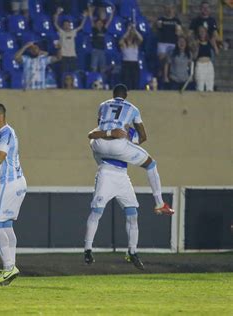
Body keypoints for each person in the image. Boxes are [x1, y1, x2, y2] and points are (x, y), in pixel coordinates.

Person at [89, 84, 175, 216]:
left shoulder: (103, 105)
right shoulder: (133, 109)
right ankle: (159, 203)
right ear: (126, 95)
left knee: (94, 145)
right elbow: (143, 137)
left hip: (100, 144)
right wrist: (132, 138)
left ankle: (104, 167)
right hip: (119, 146)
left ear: (113, 94)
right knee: (151, 164)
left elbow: (99, 128)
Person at [0, 103, 27, 286]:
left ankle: (9, 267)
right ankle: (11, 268)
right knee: (6, 225)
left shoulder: (6, 133)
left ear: (0, 116)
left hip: (8, 183)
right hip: (17, 181)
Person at [83, 136, 144, 270]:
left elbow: (139, 141)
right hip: (107, 172)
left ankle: (132, 252)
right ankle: (88, 250)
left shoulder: (128, 131)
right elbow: (95, 145)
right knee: (97, 211)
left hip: (123, 175)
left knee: (133, 214)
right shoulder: (100, 133)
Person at [53, 7, 87, 75]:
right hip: (63, 56)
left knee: (73, 73)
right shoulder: (61, 32)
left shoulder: (73, 32)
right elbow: (55, 23)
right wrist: (57, 13)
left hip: (72, 56)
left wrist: (85, 17)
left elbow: (81, 26)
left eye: (68, 25)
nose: (67, 26)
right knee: (64, 73)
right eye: (65, 25)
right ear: (63, 26)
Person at [155, 4, 183, 72]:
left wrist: (179, 31)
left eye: (171, 8)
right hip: (162, 42)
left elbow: (180, 33)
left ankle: (169, 74)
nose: (169, 10)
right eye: (167, 8)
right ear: (165, 10)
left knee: (171, 60)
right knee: (161, 59)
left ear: (174, 10)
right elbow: (157, 29)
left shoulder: (176, 20)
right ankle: (160, 73)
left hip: (173, 43)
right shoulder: (161, 19)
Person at [88, 4, 113, 75]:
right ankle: (93, 79)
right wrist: (90, 11)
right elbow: (90, 18)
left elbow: (109, 21)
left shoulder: (104, 30)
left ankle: (103, 81)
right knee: (94, 67)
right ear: (96, 24)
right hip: (95, 50)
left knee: (103, 68)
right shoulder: (94, 30)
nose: (99, 24)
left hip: (102, 50)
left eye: (101, 23)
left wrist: (112, 13)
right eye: (98, 23)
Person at [192, 26, 218, 92]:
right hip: (200, 65)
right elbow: (194, 57)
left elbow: (217, 52)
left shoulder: (210, 42)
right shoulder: (196, 43)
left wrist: (214, 44)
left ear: (206, 33)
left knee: (210, 85)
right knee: (200, 86)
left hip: (209, 65)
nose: (202, 33)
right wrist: (196, 47)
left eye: (203, 31)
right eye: (200, 31)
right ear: (198, 33)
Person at [119, 24, 143, 90]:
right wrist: (128, 31)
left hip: (134, 63)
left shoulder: (135, 44)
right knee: (126, 80)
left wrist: (135, 30)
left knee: (135, 79)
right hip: (126, 63)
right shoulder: (124, 44)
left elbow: (141, 38)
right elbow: (120, 41)